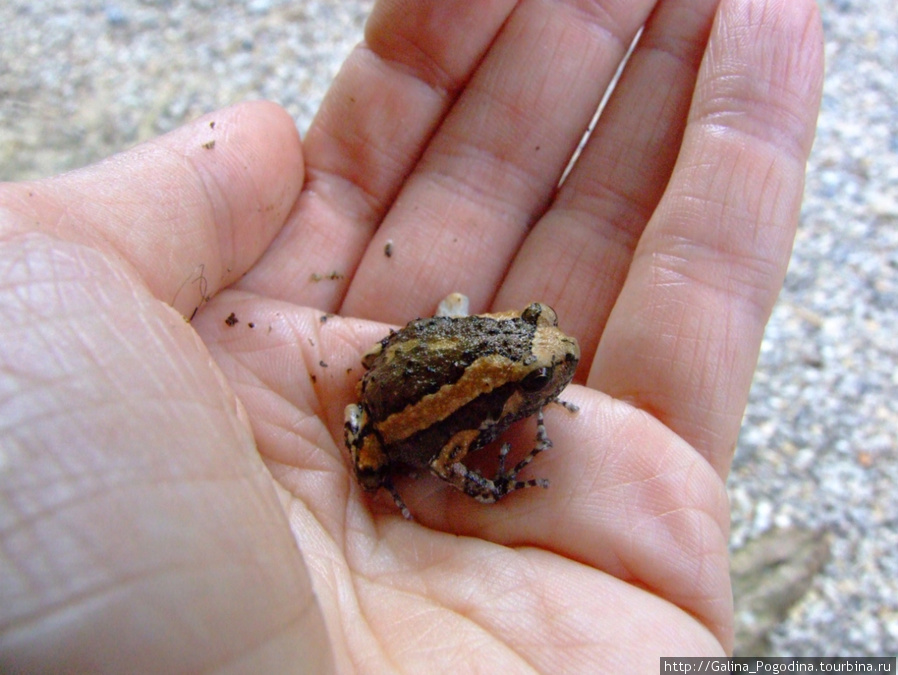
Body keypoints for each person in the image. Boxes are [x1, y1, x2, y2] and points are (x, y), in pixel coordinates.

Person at [0, 0, 823, 670]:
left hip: (423, 354)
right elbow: (447, 458)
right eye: (538, 379)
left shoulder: (500, 353)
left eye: (541, 363)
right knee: (384, 428)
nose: (556, 364)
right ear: (508, 385)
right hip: (389, 417)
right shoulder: (474, 412)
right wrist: (492, 484)